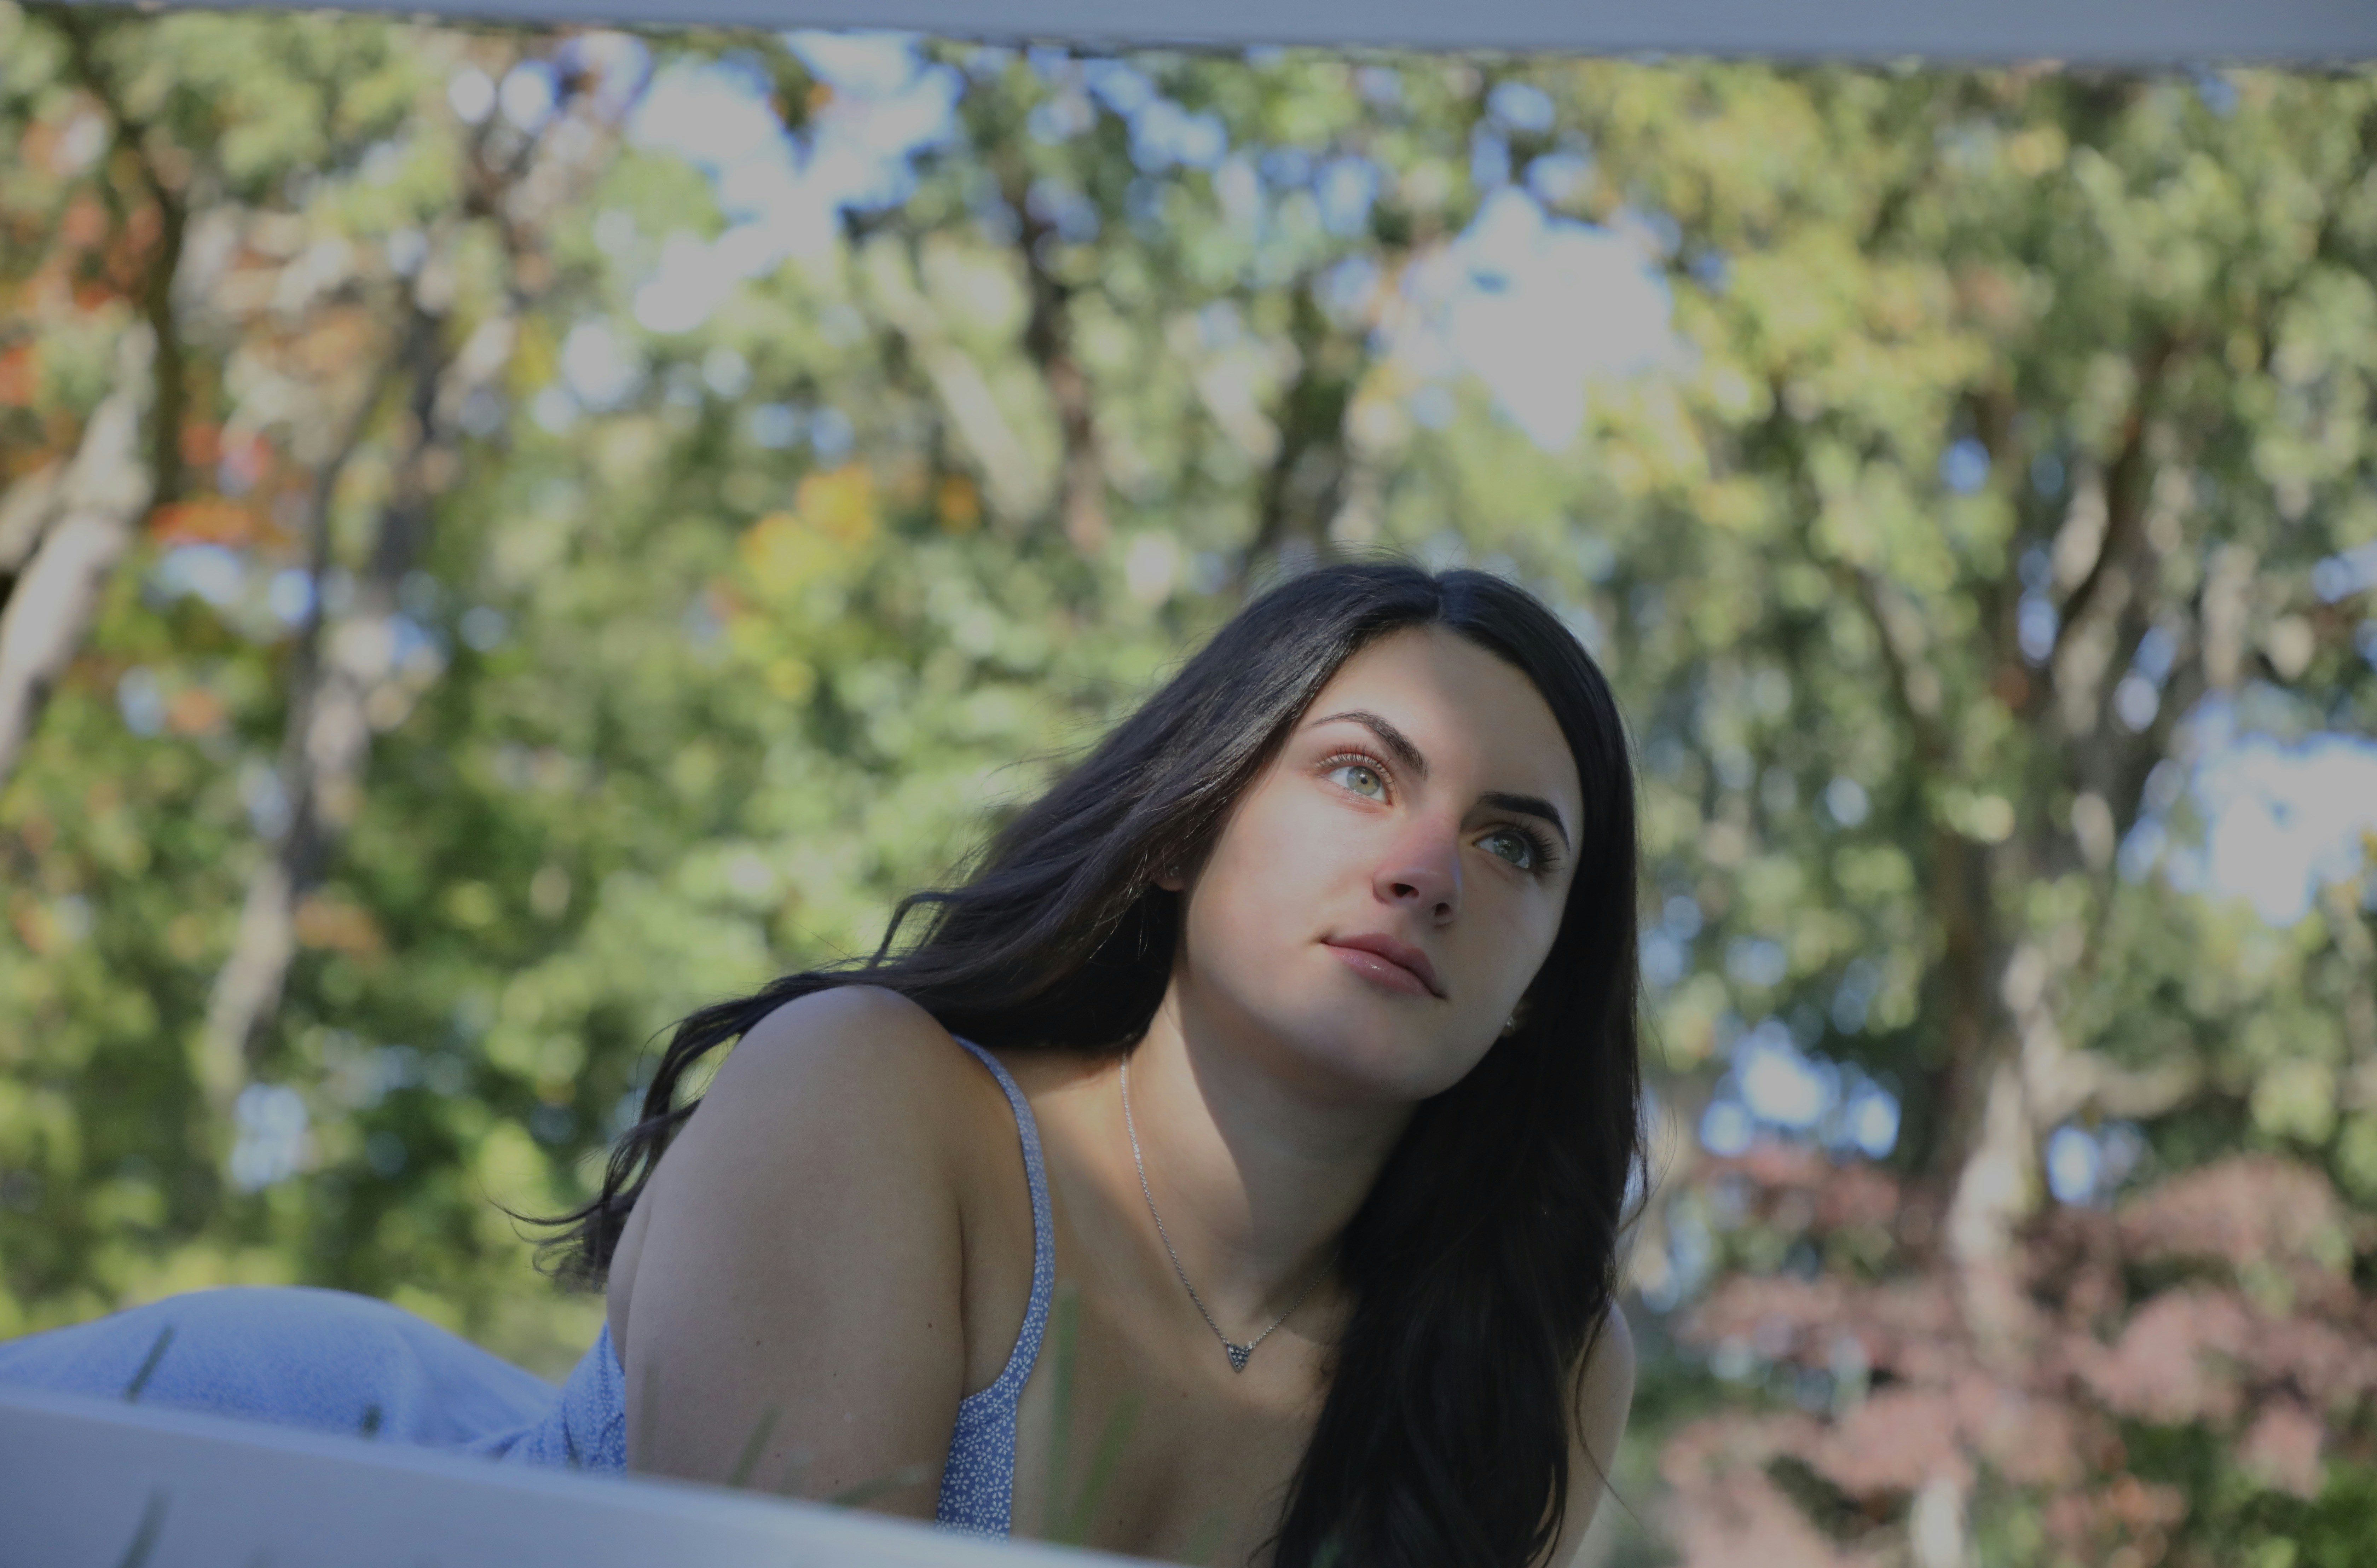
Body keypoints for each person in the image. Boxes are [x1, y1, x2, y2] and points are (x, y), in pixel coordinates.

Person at [0, 562, 1642, 1567]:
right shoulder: (877, 1102)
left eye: (1515, 846)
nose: (1430, 863)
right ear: (1179, 834)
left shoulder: (1533, 1372)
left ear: (1537, 986)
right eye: (1361, 774)